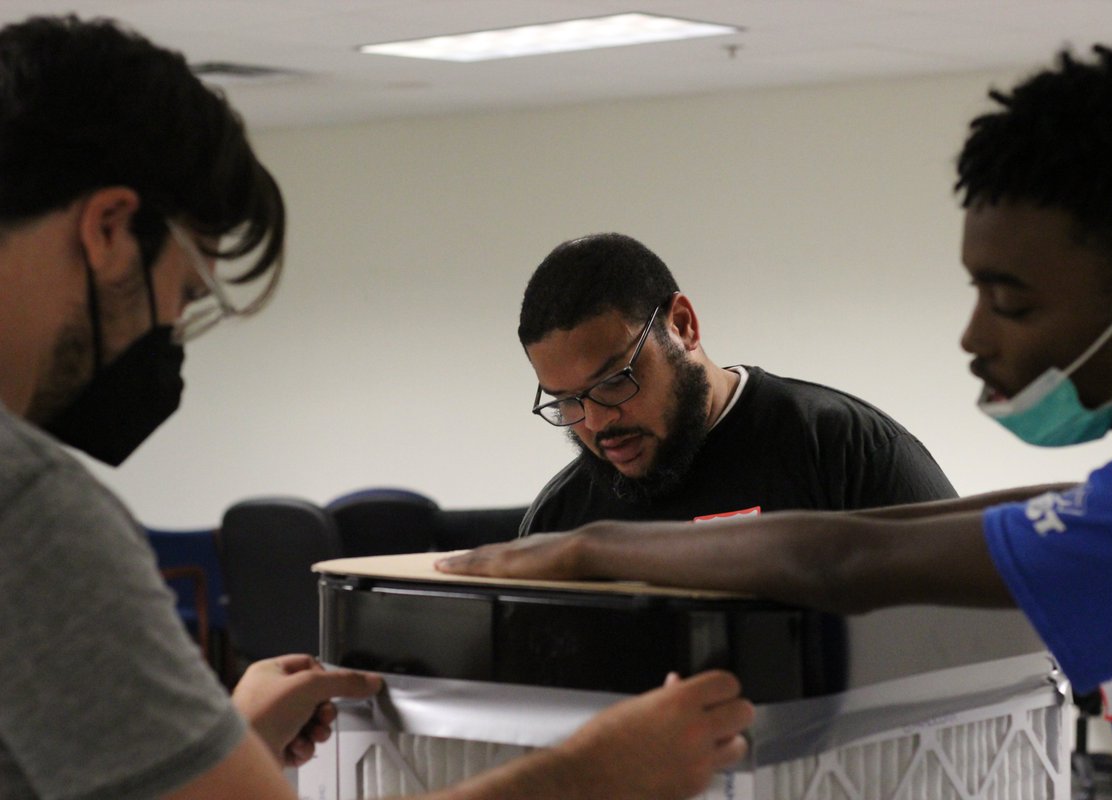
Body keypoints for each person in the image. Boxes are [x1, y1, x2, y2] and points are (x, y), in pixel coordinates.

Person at [0, 14, 752, 800]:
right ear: (110, 230)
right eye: (185, 296)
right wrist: (598, 771)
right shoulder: (31, 513)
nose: (170, 335)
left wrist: (221, 751)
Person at [441, 42, 1112, 800]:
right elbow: (1021, 514)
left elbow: (850, 560)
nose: (974, 336)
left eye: (1011, 303)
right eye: (569, 403)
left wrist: (593, 550)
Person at [516, 233, 958, 692]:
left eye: (614, 381)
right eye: (567, 401)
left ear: (683, 326)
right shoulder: (560, 518)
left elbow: (963, 644)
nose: (596, 422)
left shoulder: (845, 451)